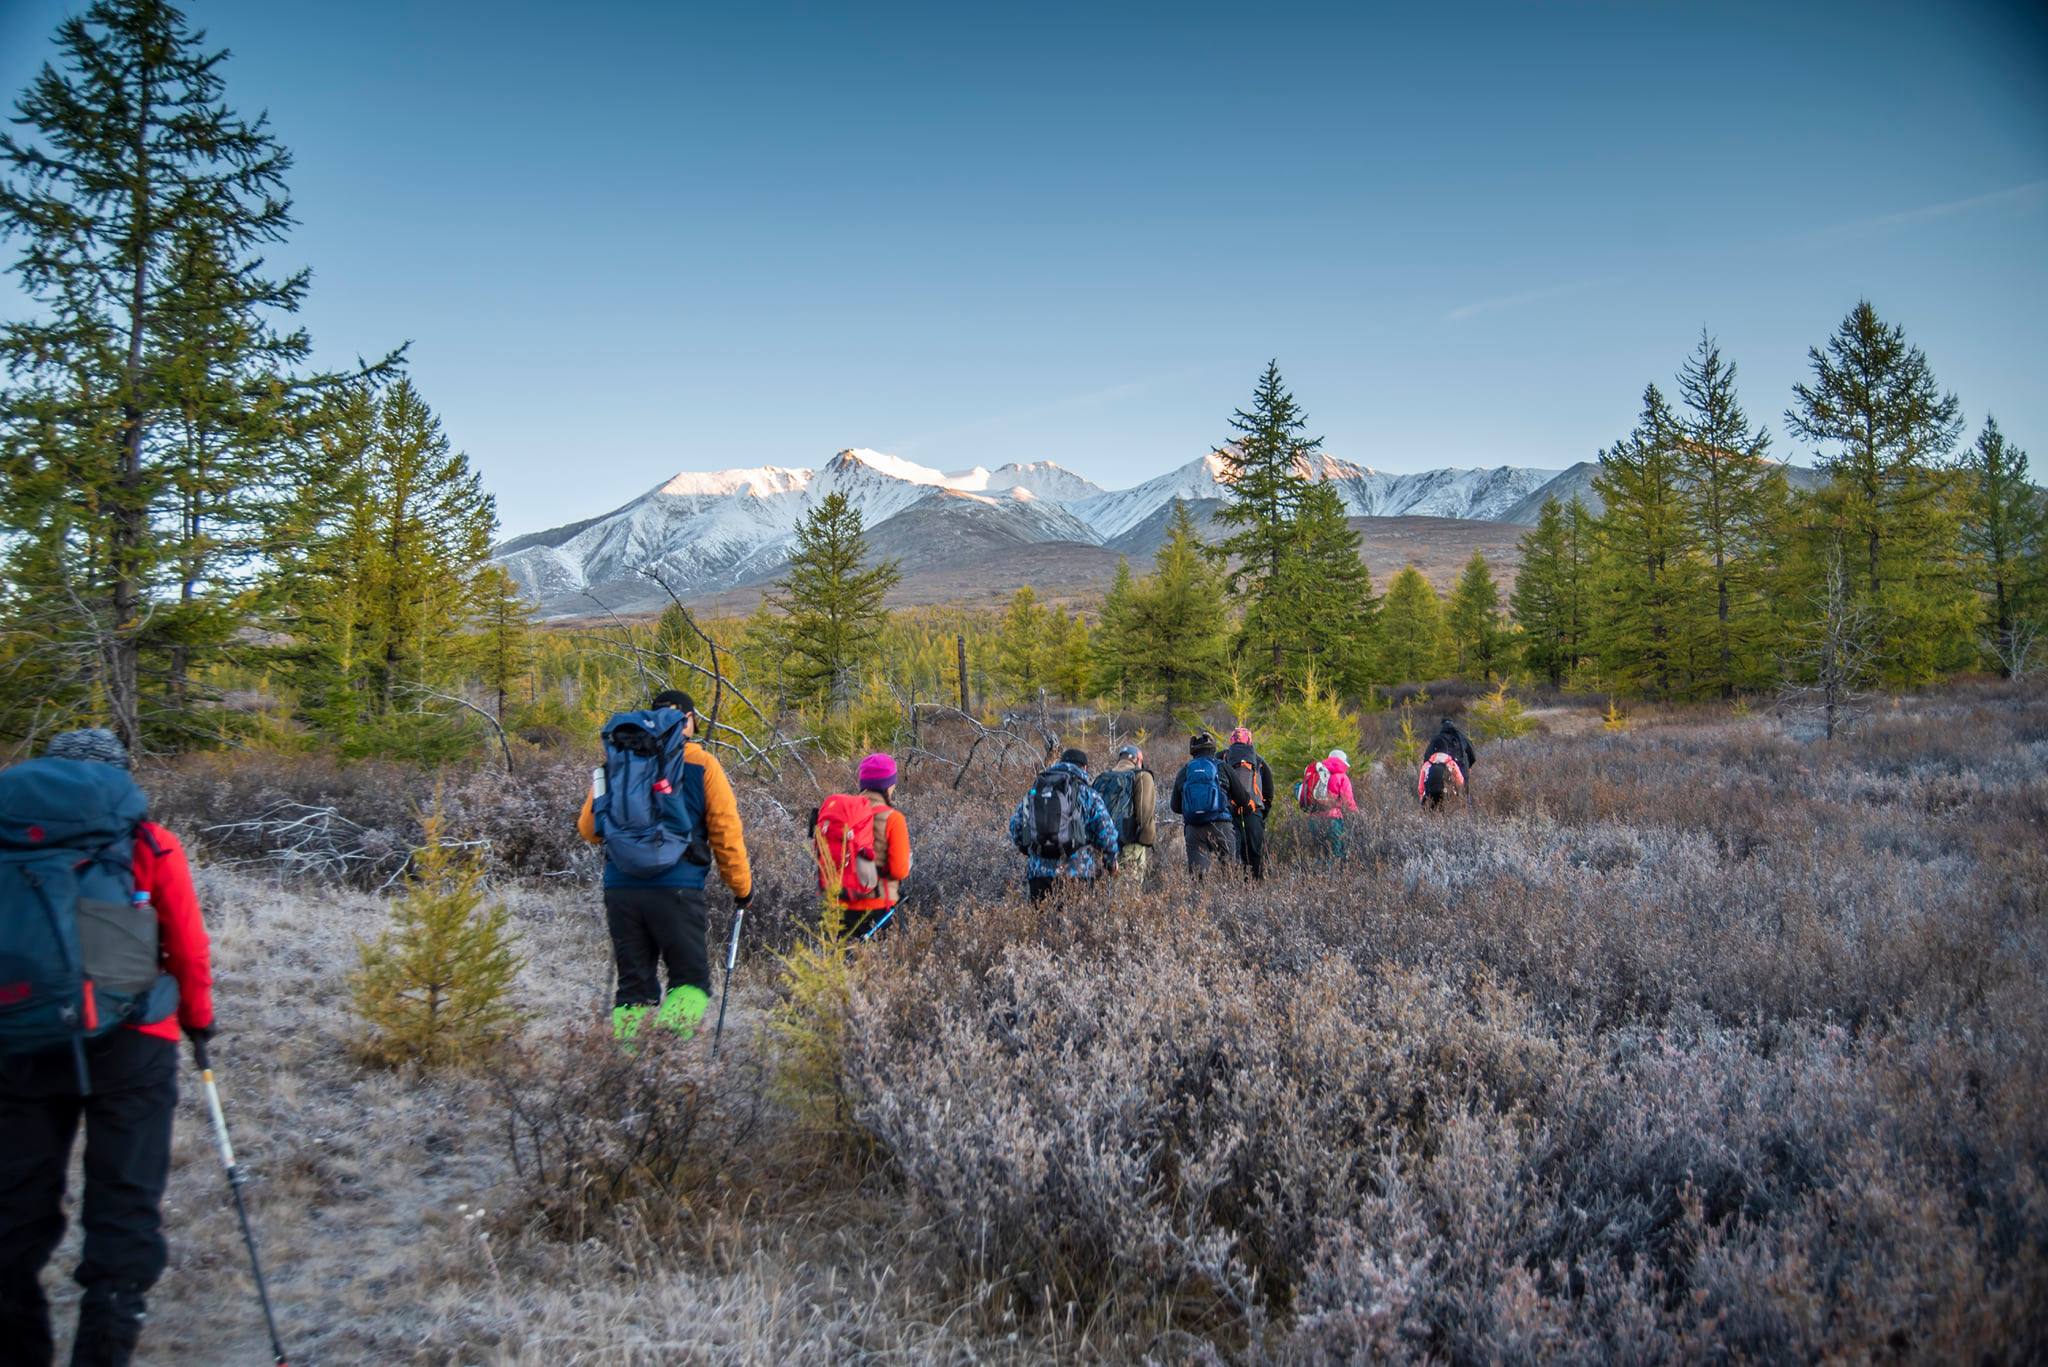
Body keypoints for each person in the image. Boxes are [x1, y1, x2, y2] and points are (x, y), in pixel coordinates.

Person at [0, 728, 216, 1367]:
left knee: (13, 1205)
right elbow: (187, 946)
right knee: (124, 1196)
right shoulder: (149, 842)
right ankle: (105, 1343)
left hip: (18, 1040)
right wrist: (198, 1023)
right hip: (132, 1041)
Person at [578, 690, 752, 1042]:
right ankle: (668, 1059)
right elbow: (725, 830)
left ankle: (630, 1069)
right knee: (691, 982)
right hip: (677, 888)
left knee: (634, 987)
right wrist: (741, 887)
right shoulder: (702, 763)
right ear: (688, 720)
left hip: (621, 889)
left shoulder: (619, 758)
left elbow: (589, 829)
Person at [811, 752, 912, 940]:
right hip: (877, 911)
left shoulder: (842, 815)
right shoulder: (894, 819)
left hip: (838, 906)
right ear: (889, 785)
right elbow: (900, 871)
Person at [1009, 748, 1119, 902]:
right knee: (1076, 924)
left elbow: (1016, 828)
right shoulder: (1087, 793)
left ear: (1060, 763)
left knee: (1041, 924)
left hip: (1038, 875)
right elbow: (1106, 835)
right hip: (1078, 874)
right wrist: (1110, 860)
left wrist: (1034, 851)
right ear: (1084, 767)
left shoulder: (1036, 790)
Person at [1170, 733, 1236, 878]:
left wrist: (1195, 808)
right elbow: (1243, 798)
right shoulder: (1223, 767)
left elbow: (1174, 806)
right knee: (1231, 876)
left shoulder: (1185, 771)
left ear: (1193, 751)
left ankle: (1199, 900)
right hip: (1222, 826)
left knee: (1198, 879)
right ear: (1213, 749)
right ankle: (1228, 899)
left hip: (1194, 828)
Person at [1090, 744, 1157, 887]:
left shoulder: (1102, 778)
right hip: (1129, 844)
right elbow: (1145, 814)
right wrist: (1146, 840)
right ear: (1139, 759)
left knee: (1102, 893)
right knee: (1128, 893)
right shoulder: (1142, 776)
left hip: (1102, 846)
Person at [1220, 726, 1276, 880]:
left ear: (1231, 740)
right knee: (1254, 851)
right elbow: (1269, 792)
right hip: (1253, 811)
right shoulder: (1259, 761)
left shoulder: (1220, 758)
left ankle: (1230, 885)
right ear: (1250, 741)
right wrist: (1262, 812)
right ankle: (1255, 884)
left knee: (1230, 851)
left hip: (1228, 812)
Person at [1298, 748, 1359, 862]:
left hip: (1313, 818)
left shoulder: (1318, 772)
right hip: (1333, 819)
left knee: (1318, 852)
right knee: (1335, 853)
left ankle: (1316, 877)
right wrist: (1356, 814)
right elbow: (1348, 801)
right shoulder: (1342, 777)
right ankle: (1333, 877)